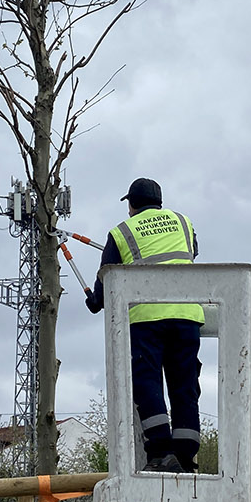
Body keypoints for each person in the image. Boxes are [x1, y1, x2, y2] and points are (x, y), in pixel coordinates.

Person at [85, 177, 204, 473]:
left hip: (147, 320)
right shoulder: (183, 222)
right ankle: (186, 456)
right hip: (187, 316)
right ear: (159, 202)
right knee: (184, 387)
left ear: (132, 204)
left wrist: (95, 302)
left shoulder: (122, 232)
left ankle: (162, 453)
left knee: (148, 385)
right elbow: (190, 254)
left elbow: (108, 278)